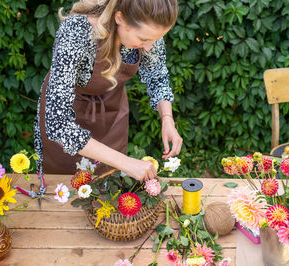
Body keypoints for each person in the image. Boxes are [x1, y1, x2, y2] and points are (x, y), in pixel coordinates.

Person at [34, 0, 182, 182]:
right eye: (143, 40)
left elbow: (156, 75)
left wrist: (167, 119)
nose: (149, 47)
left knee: (109, 187)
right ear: (120, 17)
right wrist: (127, 163)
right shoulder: (76, 31)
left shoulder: (149, 29)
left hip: (112, 115)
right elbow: (58, 125)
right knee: (63, 188)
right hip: (70, 116)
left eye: (155, 39)